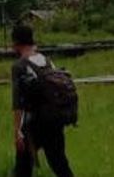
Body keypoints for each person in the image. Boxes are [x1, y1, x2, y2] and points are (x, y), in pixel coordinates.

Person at [10, 25, 74, 177]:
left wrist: (17, 132)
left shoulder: (19, 66)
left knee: (22, 168)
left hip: (33, 124)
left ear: (16, 43)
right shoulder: (47, 61)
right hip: (54, 120)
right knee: (60, 164)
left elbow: (17, 103)